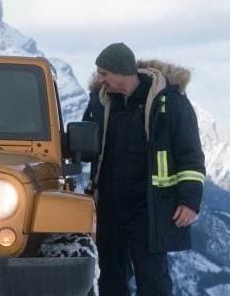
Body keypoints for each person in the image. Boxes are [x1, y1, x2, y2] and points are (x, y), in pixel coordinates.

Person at [83, 42, 205, 295]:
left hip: (150, 209)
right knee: (109, 278)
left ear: (122, 72)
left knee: (152, 280)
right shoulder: (100, 102)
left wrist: (190, 200)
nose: (99, 78)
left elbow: (190, 154)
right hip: (108, 207)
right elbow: (83, 145)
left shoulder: (170, 102)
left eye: (104, 73)